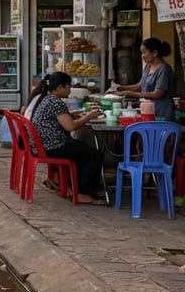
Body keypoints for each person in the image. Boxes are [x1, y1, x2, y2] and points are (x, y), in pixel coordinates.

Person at [28, 72, 106, 204]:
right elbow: (70, 127)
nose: (70, 89)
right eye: (68, 86)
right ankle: (84, 192)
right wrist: (87, 117)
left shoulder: (47, 98)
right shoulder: (55, 102)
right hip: (52, 146)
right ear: (59, 87)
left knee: (84, 150)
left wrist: (75, 115)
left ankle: (80, 188)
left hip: (43, 144)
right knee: (94, 155)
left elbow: (62, 120)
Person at [113, 37, 175, 120]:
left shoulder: (164, 69)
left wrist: (129, 93)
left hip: (161, 113)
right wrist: (119, 87)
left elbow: (158, 93)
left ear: (154, 53)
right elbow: (140, 85)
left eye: (144, 52)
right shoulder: (148, 66)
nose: (142, 56)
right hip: (148, 111)